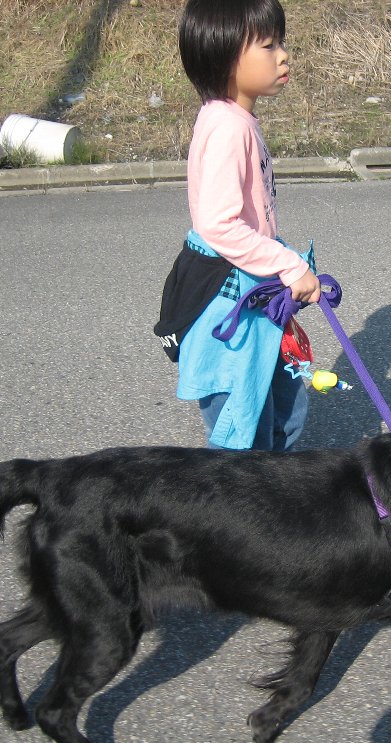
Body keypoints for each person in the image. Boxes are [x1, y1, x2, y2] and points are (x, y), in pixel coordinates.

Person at [156, 0, 321, 451]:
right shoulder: (228, 128)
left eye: (281, 43)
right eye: (268, 46)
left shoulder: (236, 119)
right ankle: (243, 495)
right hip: (229, 296)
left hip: (253, 284)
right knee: (243, 435)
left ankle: (275, 489)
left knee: (283, 412)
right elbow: (218, 225)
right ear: (226, 55)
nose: (283, 55)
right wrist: (289, 265)